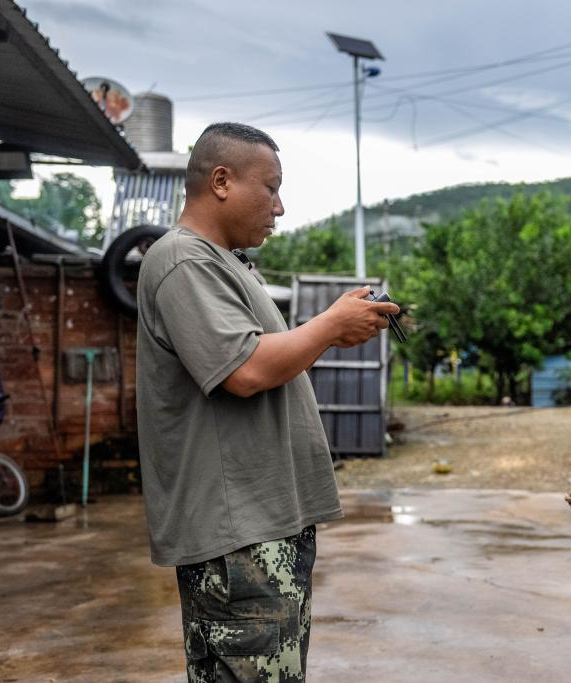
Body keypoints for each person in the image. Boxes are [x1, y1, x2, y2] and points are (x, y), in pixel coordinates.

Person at [135, 122, 399, 682]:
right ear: (222, 180)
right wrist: (328, 325)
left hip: (264, 525)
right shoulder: (185, 260)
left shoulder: (225, 261)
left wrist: (331, 329)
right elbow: (247, 370)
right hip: (238, 536)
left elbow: (268, 356)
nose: (280, 207)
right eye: (272, 187)